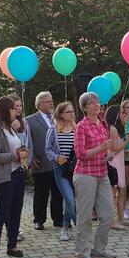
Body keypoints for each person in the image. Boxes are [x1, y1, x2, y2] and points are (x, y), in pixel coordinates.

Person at [74, 92, 116, 258]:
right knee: (84, 217)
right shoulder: (81, 126)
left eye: (98, 102)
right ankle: (81, 252)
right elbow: (81, 154)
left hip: (102, 173)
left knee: (108, 214)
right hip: (85, 175)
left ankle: (98, 250)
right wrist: (101, 148)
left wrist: (109, 154)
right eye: (92, 103)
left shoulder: (102, 124)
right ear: (85, 107)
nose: (96, 105)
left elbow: (105, 149)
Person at [0, 96, 31, 258]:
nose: (16, 111)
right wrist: (15, 155)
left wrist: (23, 151)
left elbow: (16, 148)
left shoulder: (12, 129)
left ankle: (12, 245)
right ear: (6, 111)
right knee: (3, 213)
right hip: (5, 176)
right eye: (13, 108)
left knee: (16, 211)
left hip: (18, 173)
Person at [26, 91, 64, 230]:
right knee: (41, 193)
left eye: (51, 100)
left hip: (58, 162)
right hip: (40, 162)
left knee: (58, 192)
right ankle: (39, 220)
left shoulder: (57, 119)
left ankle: (58, 219)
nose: (51, 103)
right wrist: (31, 158)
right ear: (40, 104)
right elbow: (27, 141)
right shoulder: (29, 120)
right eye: (48, 101)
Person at [45, 101, 77, 241]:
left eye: (72, 111)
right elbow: (48, 149)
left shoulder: (78, 129)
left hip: (76, 168)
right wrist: (57, 157)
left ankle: (64, 229)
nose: (71, 114)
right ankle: (81, 228)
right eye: (68, 112)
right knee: (70, 200)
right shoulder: (53, 130)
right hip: (60, 169)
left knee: (72, 201)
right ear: (61, 114)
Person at [108, 107, 129, 230]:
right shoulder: (112, 129)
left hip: (119, 161)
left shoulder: (118, 128)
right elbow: (113, 149)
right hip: (113, 162)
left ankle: (121, 218)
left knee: (122, 190)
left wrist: (125, 148)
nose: (123, 114)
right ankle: (111, 221)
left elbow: (118, 146)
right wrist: (128, 141)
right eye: (121, 113)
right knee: (112, 192)